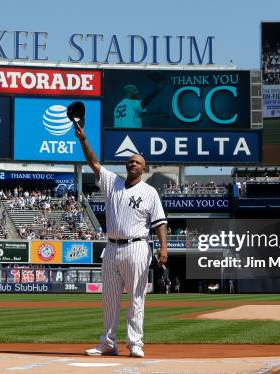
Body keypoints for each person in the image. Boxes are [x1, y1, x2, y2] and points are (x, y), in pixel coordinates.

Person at [75, 119, 167, 358]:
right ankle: (107, 342)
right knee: (109, 299)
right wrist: (83, 140)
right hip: (112, 247)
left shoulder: (150, 192)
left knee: (137, 298)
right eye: (130, 161)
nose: (132, 163)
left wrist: (163, 248)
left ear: (144, 169)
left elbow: (160, 222)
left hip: (137, 247)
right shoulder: (112, 182)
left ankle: (135, 343)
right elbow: (93, 163)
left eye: (137, 162)